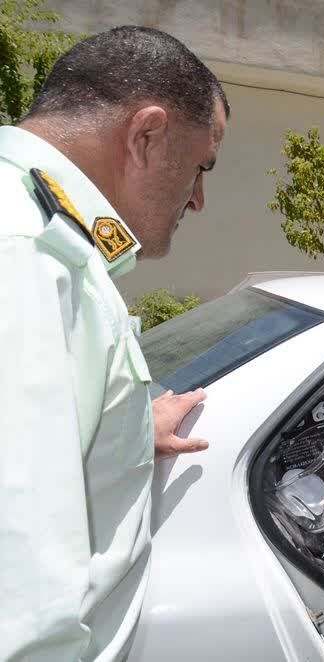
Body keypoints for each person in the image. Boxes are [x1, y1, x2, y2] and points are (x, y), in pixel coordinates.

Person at [0, 26, 229, 661]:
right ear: (147, 136)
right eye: (200, 167)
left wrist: (123, 426)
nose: (200, 198)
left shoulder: (42, 235)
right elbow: (20, 608)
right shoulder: (26, 257)